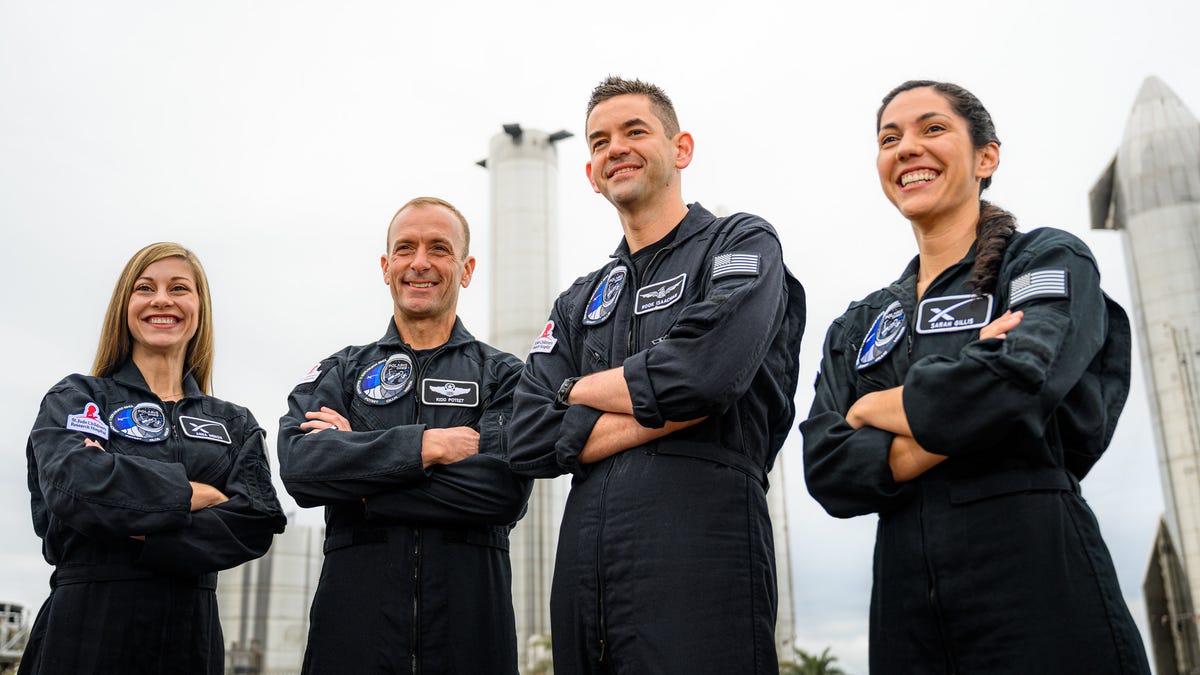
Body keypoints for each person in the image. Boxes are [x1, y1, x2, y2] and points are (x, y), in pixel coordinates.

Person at [800, 80, 1151, 673]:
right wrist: (964, 392)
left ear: (986, 157)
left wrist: (871, 410)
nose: (907, 147)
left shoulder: (1043, 260)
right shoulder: (861, 322)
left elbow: (1015, 386)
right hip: (906, 609)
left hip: (1040, 582)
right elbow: (828, 468)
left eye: (932, 129)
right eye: (890, 137)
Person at [509, 76, 806, 673]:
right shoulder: (580, 300)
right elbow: (527, 436)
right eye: (599, 141)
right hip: (586, 564)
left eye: (634, 131)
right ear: (591, 173)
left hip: (703, 546)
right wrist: (667, 404)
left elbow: (703, 376)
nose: (614, 147)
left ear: (681, 149)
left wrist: (573, 392)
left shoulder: (740, 242)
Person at [277, 197, 531, 674]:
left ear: (467, 268)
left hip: (471, 642)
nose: (420, 262)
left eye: (439, 248)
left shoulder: (507, 377)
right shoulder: (342, 372)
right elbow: (300, 468)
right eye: (405, 248)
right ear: (386, 266)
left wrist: (362, 483)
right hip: (352, 642)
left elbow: (501, 490)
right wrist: (427, 447)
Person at [21, 242, 286, 675]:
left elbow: (256, 520)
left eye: (179, 288)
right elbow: (75, 486)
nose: (162, 299)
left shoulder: (233, 422)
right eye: (145, 288)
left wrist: (128, 517)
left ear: (199, 308)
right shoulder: (78, 398)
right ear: (125, 306)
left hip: (191, 637)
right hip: (87, 628)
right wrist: (189, 493)